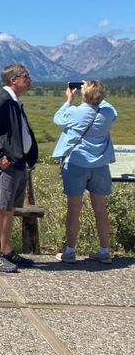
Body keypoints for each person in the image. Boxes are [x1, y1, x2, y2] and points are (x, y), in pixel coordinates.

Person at [0, 64, 38, 273]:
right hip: (7, 164)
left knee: (9, 209)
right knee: (0, 208)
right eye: (26, 77)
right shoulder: (1, 100)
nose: (29, 80)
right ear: (14, 80)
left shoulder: (14, 101)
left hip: (17, 163)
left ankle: (7, 251)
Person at [53, 80, 117, 264]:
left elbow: (58, 118)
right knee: (100, 209)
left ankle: (70, 251)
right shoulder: (108, 112)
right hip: (100, 166)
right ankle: (104, 250)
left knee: (74, 209)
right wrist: (97, 95)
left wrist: (69, 99)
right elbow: (109, 107)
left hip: (76, 165)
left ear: (84, 94)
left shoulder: (75, 112)